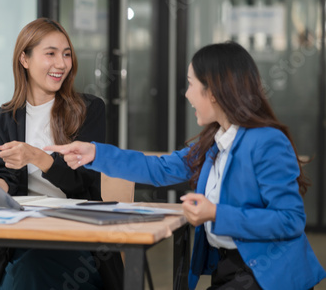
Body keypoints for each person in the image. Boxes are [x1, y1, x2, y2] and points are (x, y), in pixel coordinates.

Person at [46, 41, 326, 290]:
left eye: (191, 84)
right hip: (230, 271)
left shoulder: (266, 142)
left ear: (213, 92)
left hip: (266, 276)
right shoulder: (214, 141)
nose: (187, 94)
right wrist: (94, 153)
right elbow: (158, 169)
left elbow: (290, 220)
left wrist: (215, 213)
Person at [0, 18, 123, 290]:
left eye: (66, 54)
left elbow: (84, 182)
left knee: (28, 275)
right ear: (24, 59)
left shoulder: (89, 109)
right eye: (50, 54)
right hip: (22, 236)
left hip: (78, 237)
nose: (62, 64)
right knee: (24, 271)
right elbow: (5, 179)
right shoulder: (1, 119)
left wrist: (37, 157)